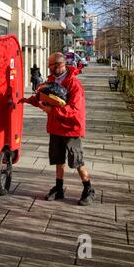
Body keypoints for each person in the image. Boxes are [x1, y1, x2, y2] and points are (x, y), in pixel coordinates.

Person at [22, 52, 95, 206]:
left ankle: (88, 189)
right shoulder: (50, 80)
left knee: (77, 161)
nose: (48, 68)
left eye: (50, 65)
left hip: (71, 128)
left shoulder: (73, 84)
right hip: (56, 126)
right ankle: (59, 188)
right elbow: (41, 97)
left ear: (59, 65)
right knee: (58, 159)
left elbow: (74, 108)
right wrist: (25, 100)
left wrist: (51, 111)